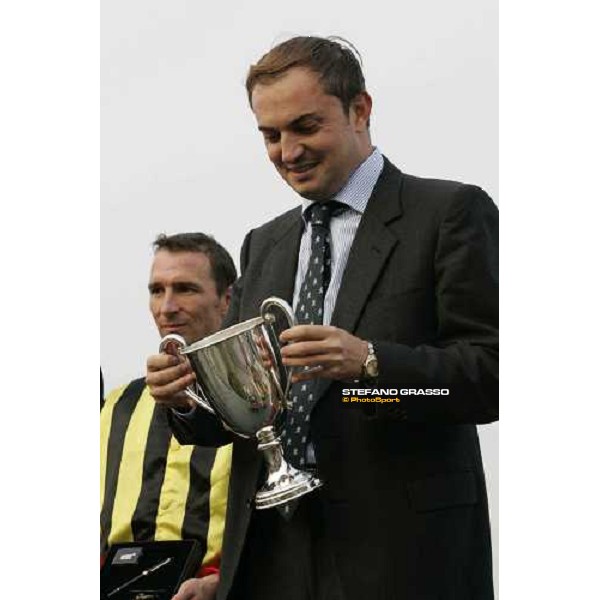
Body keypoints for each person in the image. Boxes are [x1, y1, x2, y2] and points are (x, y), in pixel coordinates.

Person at [147, 36, 499, 600]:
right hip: (271, 557)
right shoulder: (263, 244)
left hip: (404, 557)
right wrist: (187, 398)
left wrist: (372, 365)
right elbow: (248, 419)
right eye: (271, 135)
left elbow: (494, 378)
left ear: (360, 109)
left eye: (305, 127)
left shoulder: (449, 213)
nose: (288, 151)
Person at [101, 232, 237, 600]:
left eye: (185, 289)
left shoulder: (259, 398)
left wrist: (220, 583)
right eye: (157, 290)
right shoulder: (117, 405)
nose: (167, 306)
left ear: (226, 299)